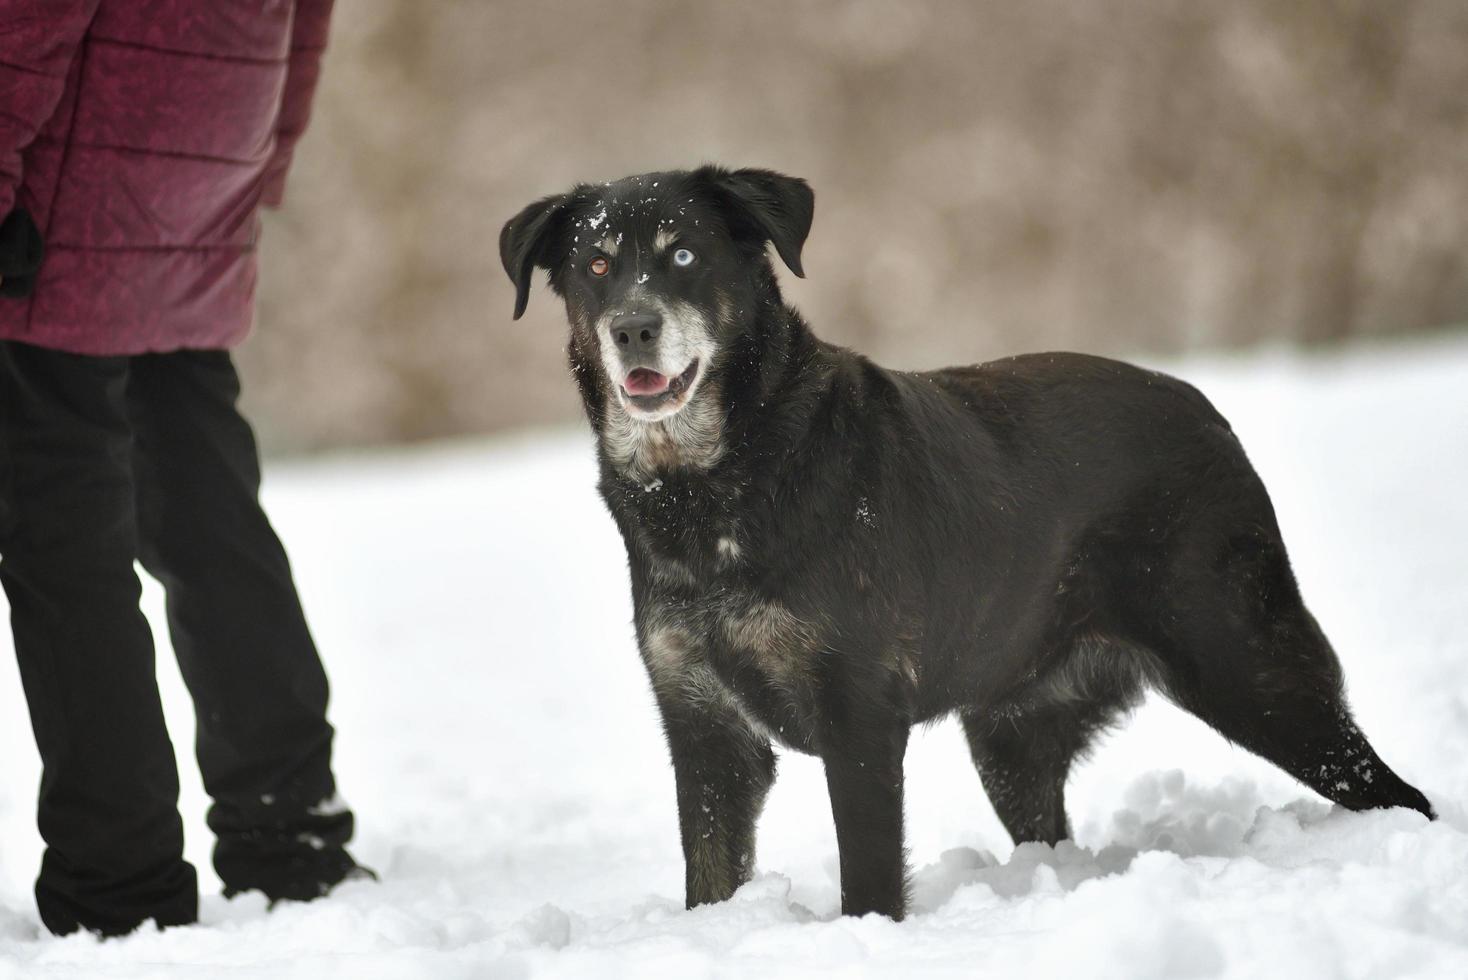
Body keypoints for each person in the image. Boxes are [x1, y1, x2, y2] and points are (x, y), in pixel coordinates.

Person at [0, 0, 368, 936]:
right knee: (209, 517)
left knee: (65, 553)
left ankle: (117, 883)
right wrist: (256, 174)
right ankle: (288, 826)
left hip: (59, 222)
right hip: (197, 191)